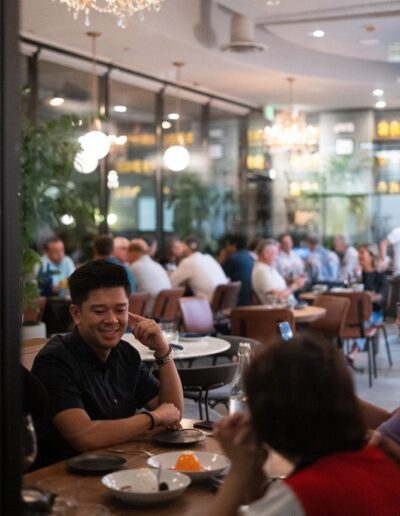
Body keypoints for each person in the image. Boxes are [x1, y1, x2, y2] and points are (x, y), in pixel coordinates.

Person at [210, 333, 400, 516]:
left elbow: (285, 504)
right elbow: (266, 506)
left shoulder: (306, 493)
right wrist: (253, 472)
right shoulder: (379, 462)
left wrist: (237, 471)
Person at [32, 260, 183, 467]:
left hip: (119, 468)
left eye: (120, 310)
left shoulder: (125, 354)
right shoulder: (54, 361)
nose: (112, 320)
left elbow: (172, 412)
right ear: (76, 314)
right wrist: (153, 418)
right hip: (63, 478)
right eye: (100, 311)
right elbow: (85, 437)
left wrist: (162, 351)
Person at [170, 237, 228, 301]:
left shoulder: (188, 262)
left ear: (185, 247)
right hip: (223, 302)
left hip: (208, 304)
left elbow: (170, 284)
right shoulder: (209, 258)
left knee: (177, 302)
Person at [252, 239, 305, 305]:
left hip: (289, 308)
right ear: (266, 254)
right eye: (276, 254)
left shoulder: (268, 268)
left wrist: (295, 282)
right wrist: (295, 286)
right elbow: (278, 297)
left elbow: (281, 289)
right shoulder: (261, 271)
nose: (277, 258)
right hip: (281, 312)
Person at [128, 239, 171, 316]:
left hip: (147, 312)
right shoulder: (157, 265)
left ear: (134, 253)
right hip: (165, 312)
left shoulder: (135, 267)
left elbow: (127, 292)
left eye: (128, 252)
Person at [221, 234, 255, 306]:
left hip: (239, 299)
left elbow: (221, 276)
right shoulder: (250, 256)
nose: (227, 248)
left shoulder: (233, 258)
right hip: (251, 298)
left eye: (228, 245)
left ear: (234, 245)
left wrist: (222, 258)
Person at [358, 243, 388, 323]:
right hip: (357, 313)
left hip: (374, 314)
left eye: (362, 252)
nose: (358, 256)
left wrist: (367, 297)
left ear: (371, 256)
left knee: (352, 321)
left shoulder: (379, 275)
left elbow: (381, 297)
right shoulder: (358, 275)